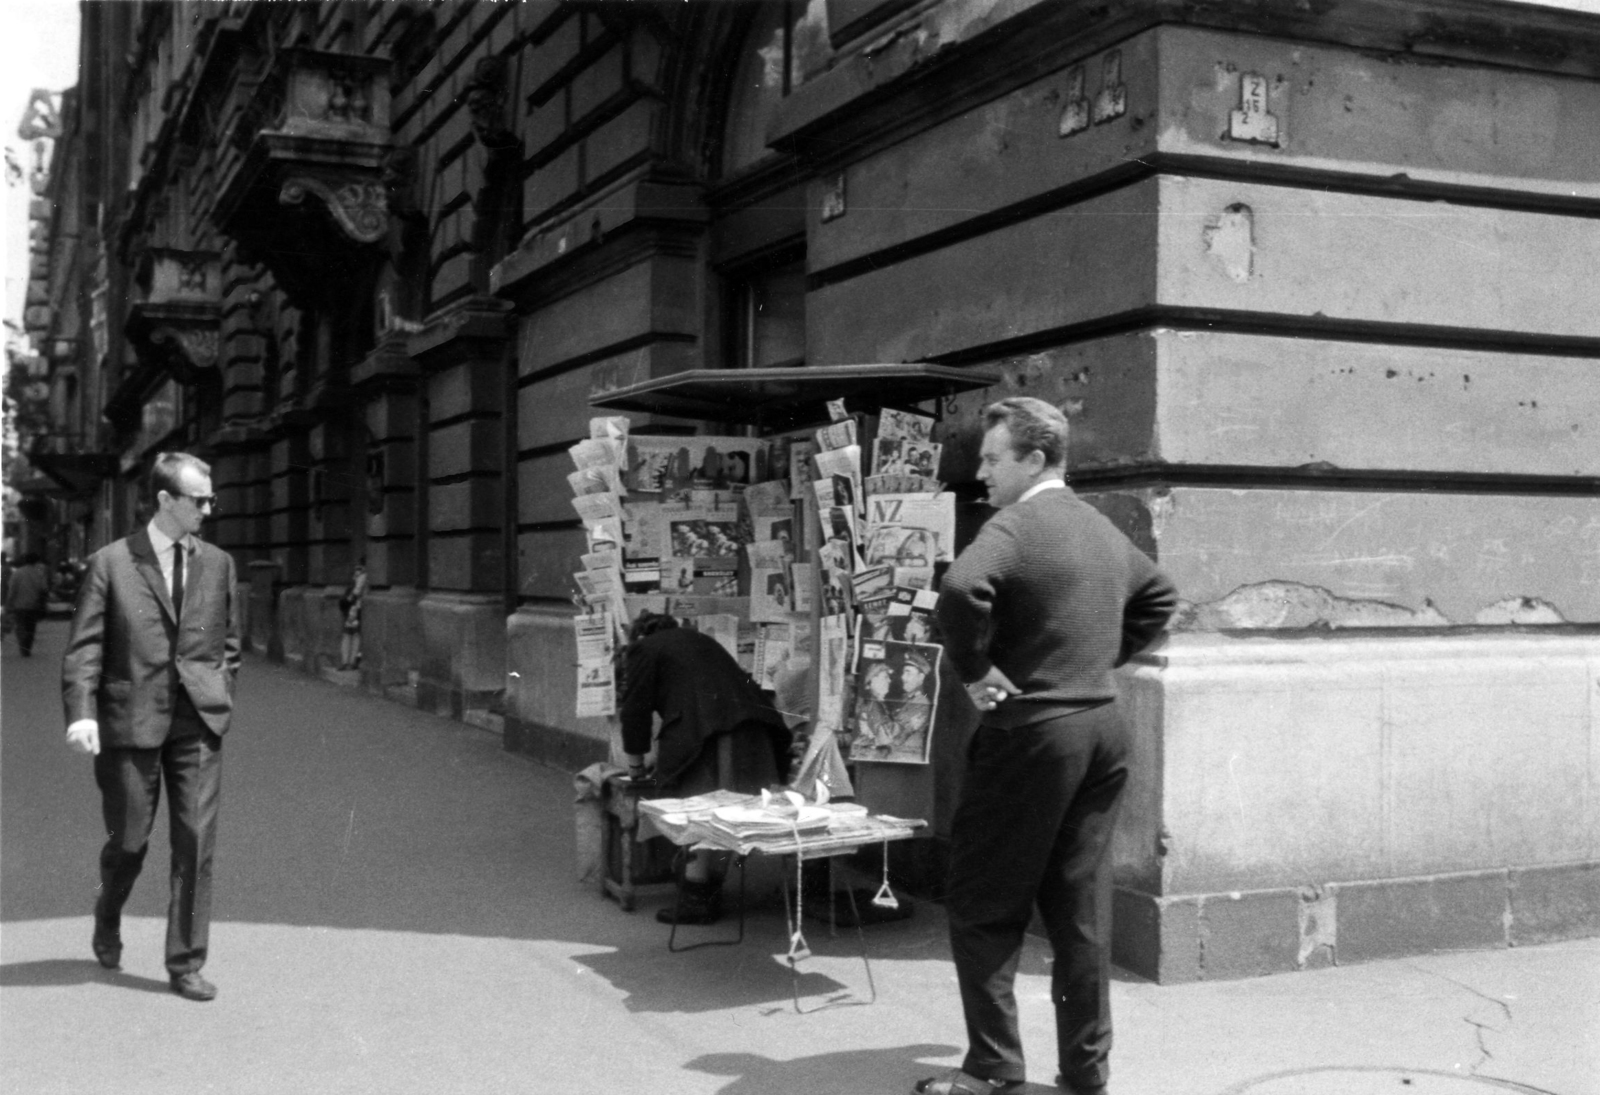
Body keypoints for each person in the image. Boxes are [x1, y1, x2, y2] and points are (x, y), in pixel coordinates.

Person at [917, 398, 1177, 1095]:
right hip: (1101, 728)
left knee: (982, 902)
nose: (981, 473)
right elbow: (1160, 594)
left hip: (1031, 733)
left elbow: (960, 588)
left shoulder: (1015, 525)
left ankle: (992, 1068)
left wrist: (976, 671)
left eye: (992, 458)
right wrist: (1098, 660)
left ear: (1034, 459)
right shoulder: (1097, 525)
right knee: (1080, 908)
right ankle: (1086, 1074)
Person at [61, 452, 242, 1003]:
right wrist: (82, 712)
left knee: (195, 842)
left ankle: (185, 962)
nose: (208, 509)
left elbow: (229, 643)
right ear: (165, 500)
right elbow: (85, 647)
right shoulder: (112, 562)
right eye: (199, 500)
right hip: (129, 719)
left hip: (196, 720)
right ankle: (108, 912)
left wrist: (220, 691)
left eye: (210, 499)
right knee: (130, 841)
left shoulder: (219, 563)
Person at [619, 611, 791, 925]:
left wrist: (635, 768)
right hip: (754, 727)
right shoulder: (699, 641)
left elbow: (634, 711)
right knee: (731, 812)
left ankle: (696, 897)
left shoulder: (643, 648)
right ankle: (710, 890)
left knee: (696, 809)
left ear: (639, 635)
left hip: (711, 733)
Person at [5, 551, 51, 656]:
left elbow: (12, 590)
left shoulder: (17, 573)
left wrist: (9, 603)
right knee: (31, 627)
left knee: (20, 625)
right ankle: (27, 647)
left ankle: (22, 644)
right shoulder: (39, 573)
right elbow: (44, 589)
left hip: (19, 605)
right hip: (34, 605)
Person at [338, 559, 368, 670]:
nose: (357, 571)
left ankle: (350, 661)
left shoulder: (363, 579)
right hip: (352, 610)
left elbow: (357, 592)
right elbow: (351, 595)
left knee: (354, 635)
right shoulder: (358, 580)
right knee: (350, 635)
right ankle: (347, 661)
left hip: (357, 610)